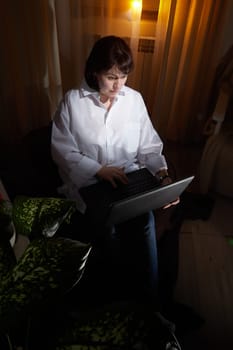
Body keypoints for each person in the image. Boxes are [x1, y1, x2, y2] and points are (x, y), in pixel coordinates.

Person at [51, 35, 179, 306]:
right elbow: (62, 151)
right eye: (111, 77)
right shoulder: (72, 102)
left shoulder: (134, 100)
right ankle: (114, 302)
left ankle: (149, 303)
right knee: (108, 230)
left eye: (124, 76)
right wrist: (99, 170)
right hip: (89, 183)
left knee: (144, 222)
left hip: (129, 178)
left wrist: (162, 175)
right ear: (95, 71)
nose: (118, 85)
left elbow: (149, 147)